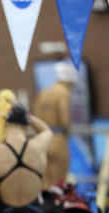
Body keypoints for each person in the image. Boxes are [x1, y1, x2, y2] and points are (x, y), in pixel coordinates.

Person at [33, 61, 77, 191]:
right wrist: (67, 134)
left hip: (42, 141)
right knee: (59, 184)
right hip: (58, 140)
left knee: (45, 185)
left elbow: (35, 119)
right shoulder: (63, 93)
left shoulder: (43, 93)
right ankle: (57, 211)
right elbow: (65, 121)